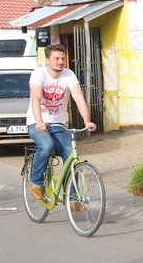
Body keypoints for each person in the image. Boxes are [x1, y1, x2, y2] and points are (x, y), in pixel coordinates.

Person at [25, 43, 96, 210]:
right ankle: (35, 182)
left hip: (59, 124)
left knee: (71, 154)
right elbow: (35, 98)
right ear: (47, 60)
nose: (60, 61)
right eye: (56, 58)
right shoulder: (38, 74)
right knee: (47, 145)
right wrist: (40, 121)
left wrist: (87, 121)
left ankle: (72, 199)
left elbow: (78, 98)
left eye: (63, 58)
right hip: (37, 122)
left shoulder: (69, 75)